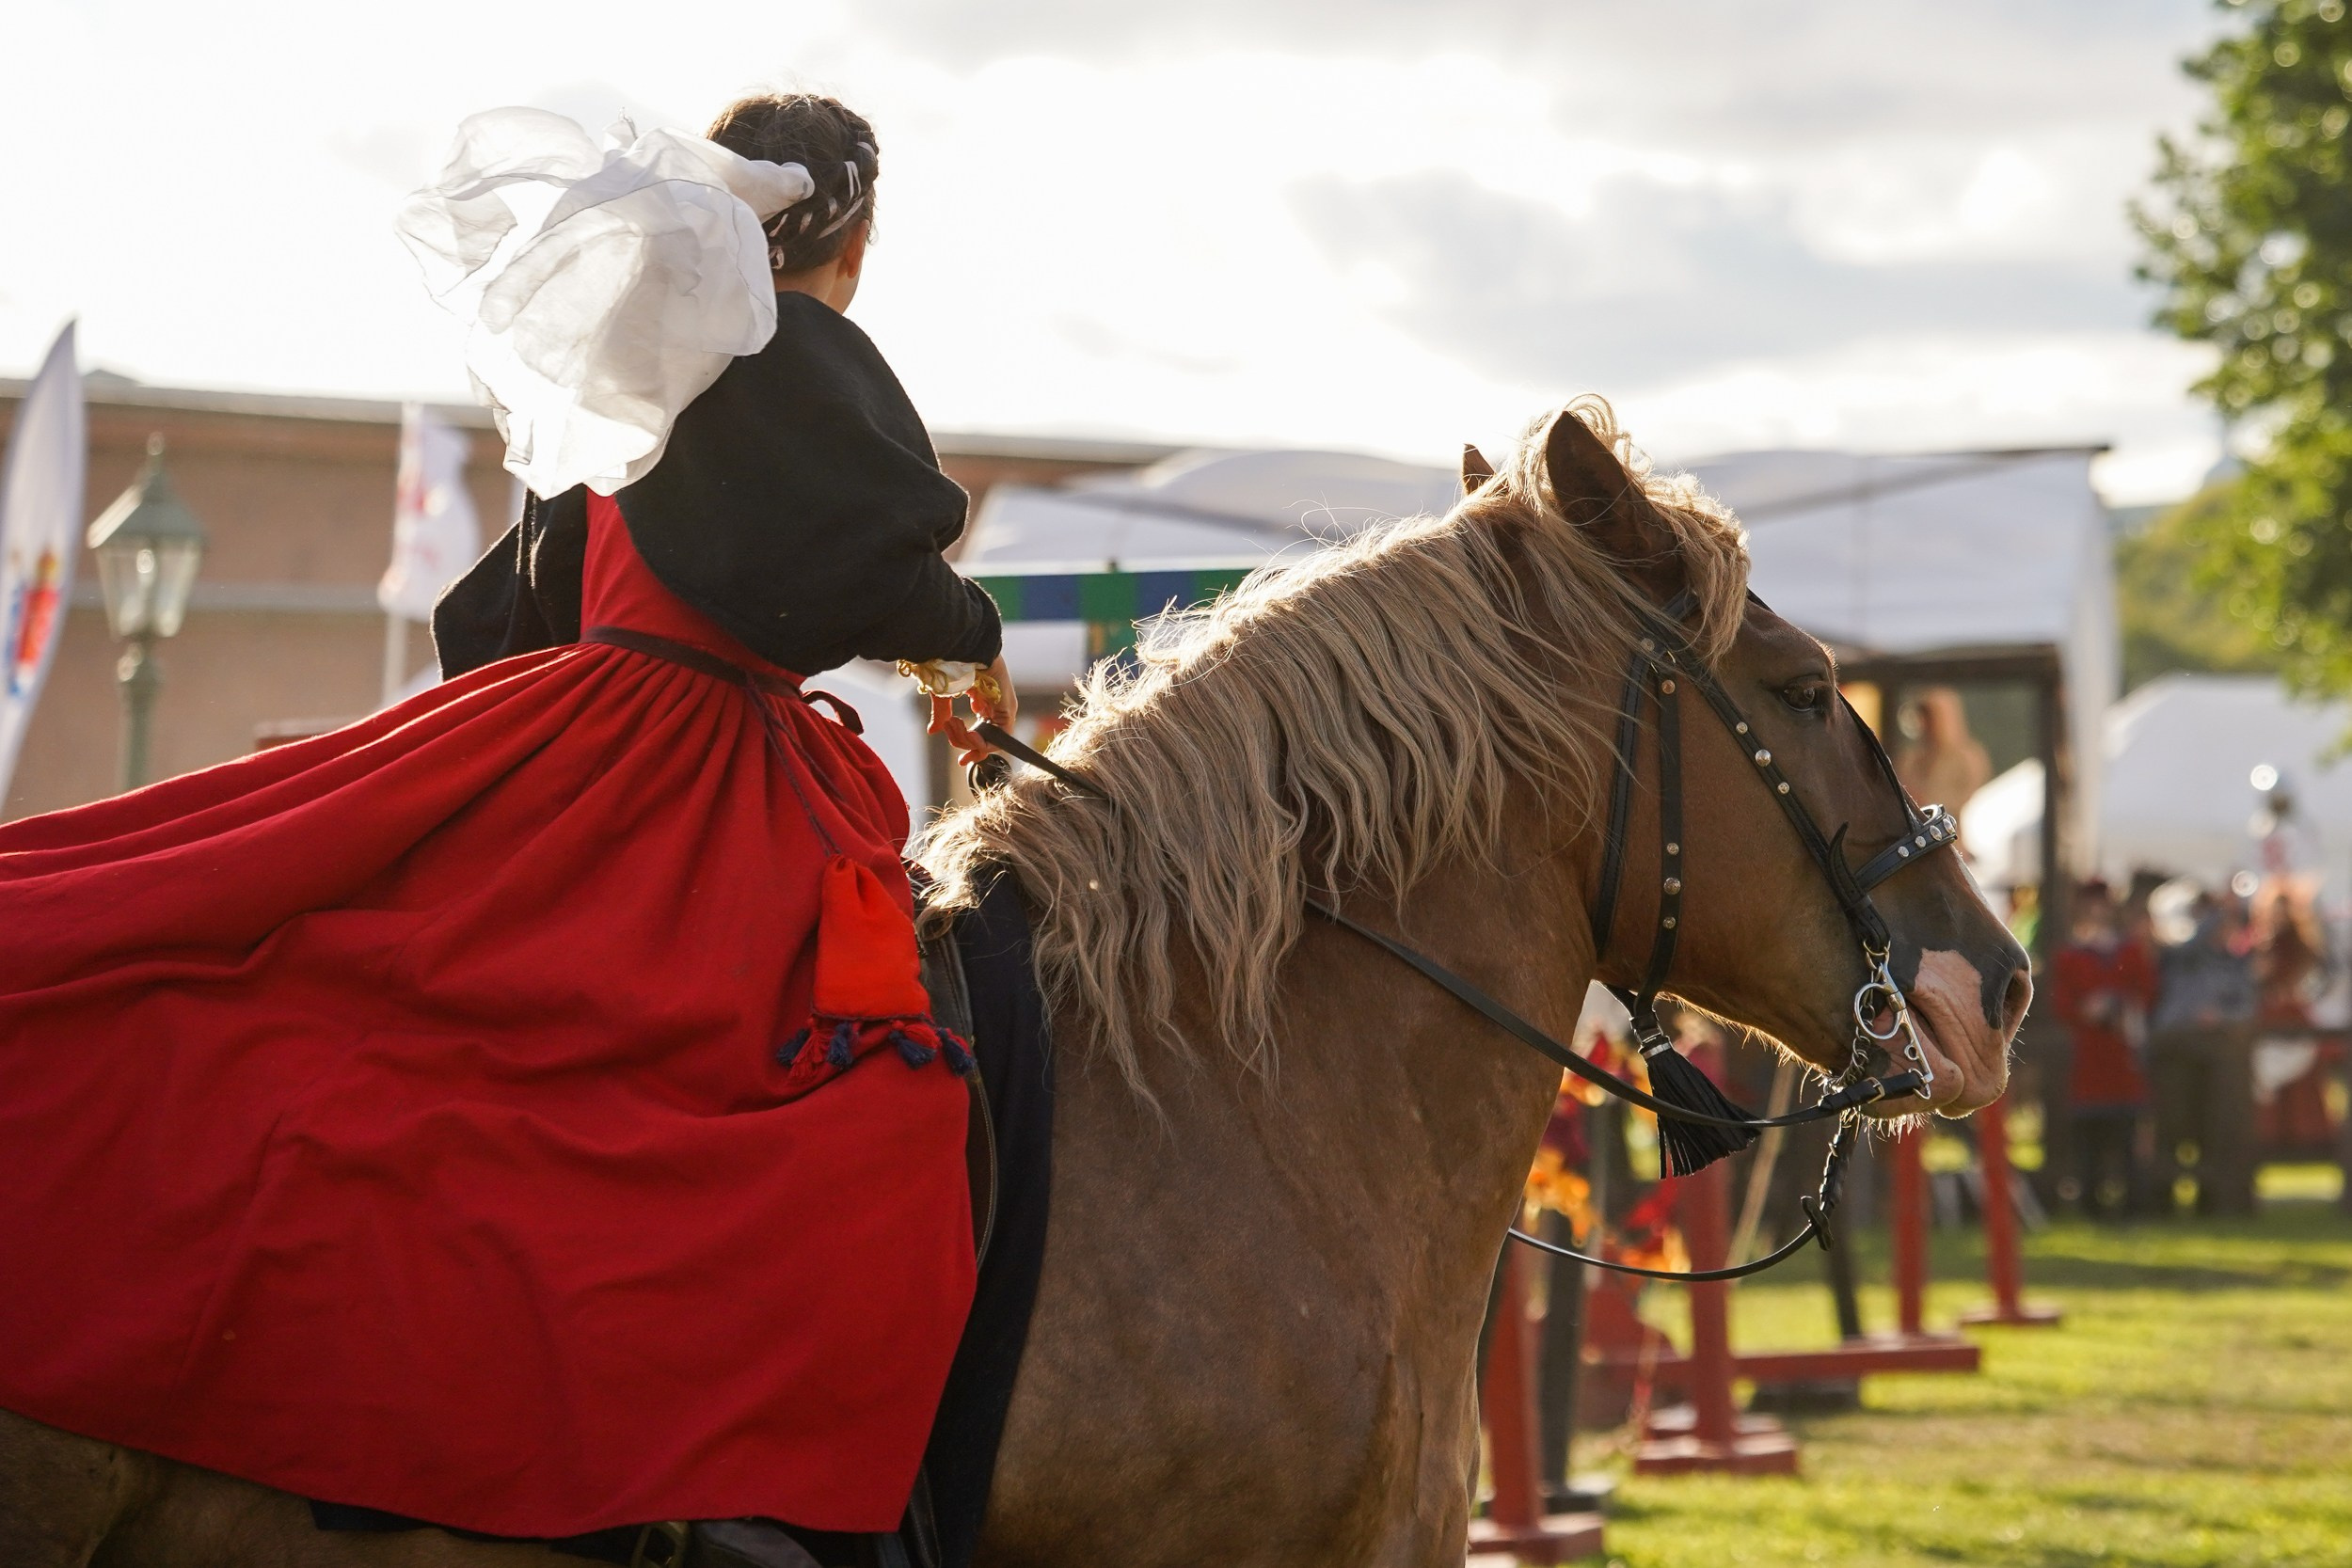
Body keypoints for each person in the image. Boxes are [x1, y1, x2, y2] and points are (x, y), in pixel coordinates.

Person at [0, 93, 1008, 1559]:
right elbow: (865, 565)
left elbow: (495, 616)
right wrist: (968, 635)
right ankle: (718, 1493)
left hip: (571, 729)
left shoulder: (620, 351)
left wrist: (539, 763)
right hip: (703, 767)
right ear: (848, 242)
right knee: (855, 1120)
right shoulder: (796, 349)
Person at [2148, 888, 2261, 1216]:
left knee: (2218, 1129)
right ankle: (2162, 1202)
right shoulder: (2182, 957)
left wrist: (2220, 1018)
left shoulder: (2238, 966)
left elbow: (2246, 1007)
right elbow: (2190, 943)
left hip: (2219, 1055)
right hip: (2175, 1050)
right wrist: (2219, 910)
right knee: (2172, 1127)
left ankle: (2216, 1202)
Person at [2051, 879, 2157, 1219]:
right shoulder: (2069, 955)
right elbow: (2061, 1002)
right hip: (2085, 1055)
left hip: (2123, 1054)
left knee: (2127, 1136)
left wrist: (2121, 1005)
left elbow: (2148, 990)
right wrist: (2086, 1009)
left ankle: (2132, 1205)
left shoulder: (2129, 951)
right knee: (2089, 1139)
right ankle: (2090, 1204)